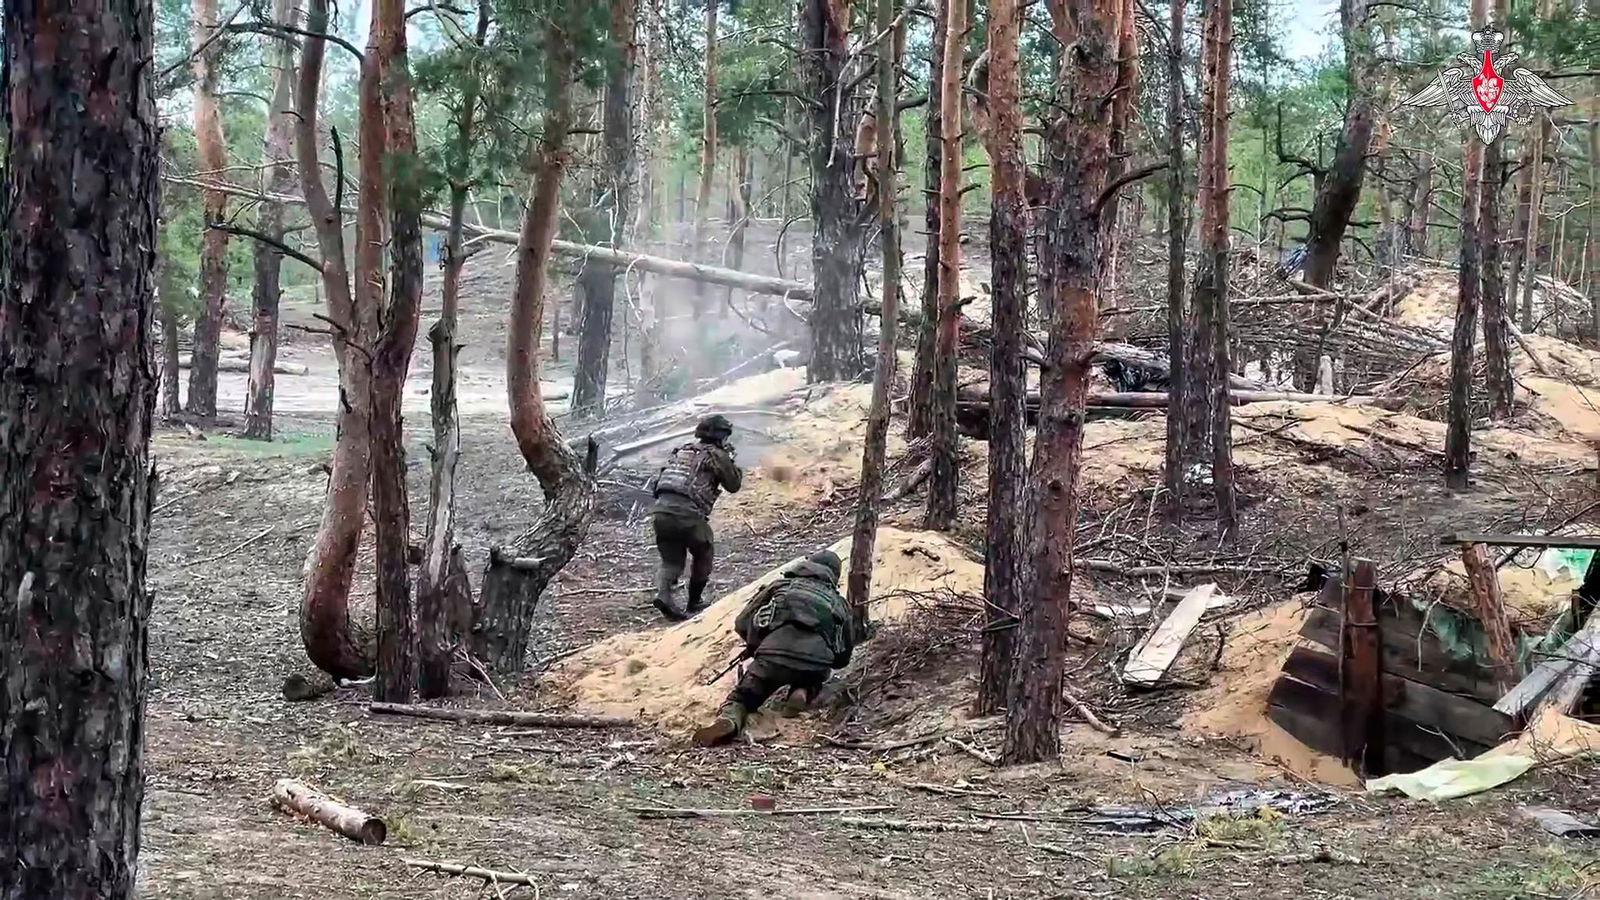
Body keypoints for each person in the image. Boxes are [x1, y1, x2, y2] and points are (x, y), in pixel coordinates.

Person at [693, 549, 860, 747]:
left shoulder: (780, 587)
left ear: (807, 565)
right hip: (814, 664)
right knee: (816, 676)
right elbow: (843, 658)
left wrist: (757, 646)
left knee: (742, 698)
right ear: (834, 575)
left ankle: (729, 721)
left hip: (771, 658)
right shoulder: (839, 604)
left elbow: (742, 622)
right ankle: (802, 691)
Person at [645, 413, 743, 621]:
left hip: (661, 510)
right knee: (704, 550)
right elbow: (733, 485)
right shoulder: (716, 454)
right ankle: (694, 601)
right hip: (688, 513)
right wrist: (731, 462)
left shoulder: (682, 451)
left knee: (671, 561)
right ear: (721, 436)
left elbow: (659, 480)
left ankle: (663, 594)